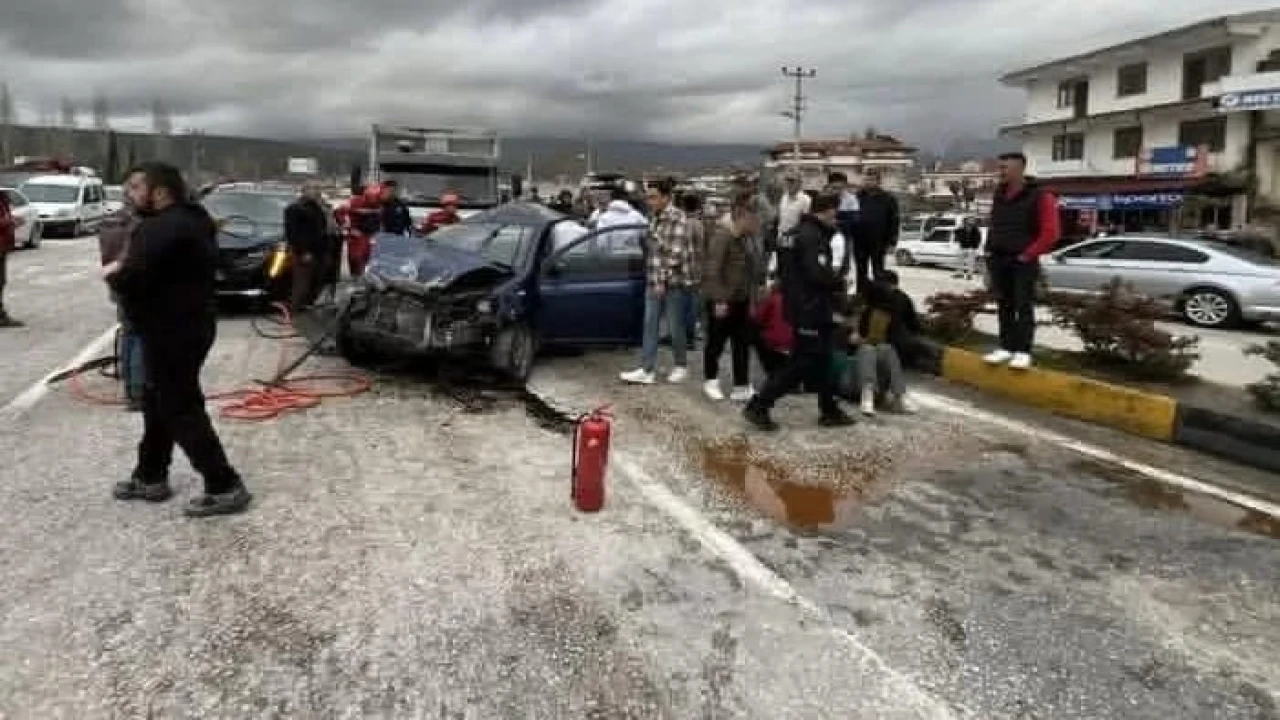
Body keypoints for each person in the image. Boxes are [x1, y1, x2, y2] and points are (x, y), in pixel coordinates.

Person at [104, 162, 251, 517]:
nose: (131, 193)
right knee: (158, 399)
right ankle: (150, 475)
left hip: (172, 329)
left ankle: (224, 484)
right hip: (190, 325)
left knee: (179, 406)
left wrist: (113, 274)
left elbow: (134, 278)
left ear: (160, 191)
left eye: (137, 187)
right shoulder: (195, 217)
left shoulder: (158, 228)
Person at [744, 193, 855, 431]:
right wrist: (838, 282)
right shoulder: (812, 237)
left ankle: (829, 409)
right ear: (827, 211)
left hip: (801, 305)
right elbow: (817, 274)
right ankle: (760, 404)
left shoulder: (791, 235)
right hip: (810, 309)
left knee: (824, 359)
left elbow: (784, 273)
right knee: (802, 362)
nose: (837, 219)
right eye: (835, 213)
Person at [984, 152, 1060, 371]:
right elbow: (994, 225)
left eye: (1004, 168)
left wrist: (1027, 255)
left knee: (1023, 306)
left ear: (1020, 169)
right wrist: (989, 253)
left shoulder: (1041, 196)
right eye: (1000, 167)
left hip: (1023, 261)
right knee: (1004, 305)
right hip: (998, 258)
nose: (1000, 172)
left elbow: (1051, 233)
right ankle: (1005, 347)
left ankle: (1023, 351)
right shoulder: (999, 194)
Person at [620, 178, 695, 385]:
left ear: (666, 197)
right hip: (654, 279)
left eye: (653, 197)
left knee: (674, 326)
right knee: (650, 323)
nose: (649, 201)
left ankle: (681, 365)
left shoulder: (678, 218)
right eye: (648, 197)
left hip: (674, 281)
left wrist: (662, 280)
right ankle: (647, 369)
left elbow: (676, 255)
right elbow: (652, 247)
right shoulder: (654, 217)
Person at [701, 191, 763, 402]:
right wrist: (719, 299)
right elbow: (712, 269)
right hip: (722, 300)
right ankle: (710, 380)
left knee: (741, 344)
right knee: (716, 343)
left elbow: (752, 270)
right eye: (753, 219)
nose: (756, 223)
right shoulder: (723, 236)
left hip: (741, 299)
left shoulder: (747, 240)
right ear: (742, 217)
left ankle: (741, 385)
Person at [849, 270, 920, 415]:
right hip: (856, 373)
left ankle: (900, 395)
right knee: (867, 349)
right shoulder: (866, 314)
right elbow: (855, 340)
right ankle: (867, 394)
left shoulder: (889, 314)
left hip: (879, 369)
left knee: (885, 348)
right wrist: (856, 337)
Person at [98, 199, 146, 410]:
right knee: (140, 338)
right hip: (137, 285)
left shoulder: (112, 221)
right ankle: (138, 393)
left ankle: (131, 389)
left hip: (118, 285)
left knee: (129, 334)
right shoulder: (138, 223)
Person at [283, 182, 330, 312]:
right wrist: (302, 252)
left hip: (319, 252)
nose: (316, 191)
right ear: (304, 191)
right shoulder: (294, 209)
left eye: (318, 188)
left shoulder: (317, 207)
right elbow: (292, 234)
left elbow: (322, 228)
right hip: (305, 253)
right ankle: (294, 313)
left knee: (317, 283)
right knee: (302, 286)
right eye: (313, 189)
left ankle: (306, 310)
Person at [854, 170, 899, 295]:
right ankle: (861, 298)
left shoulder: (888, 198)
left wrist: (892, 242)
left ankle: (878, 299)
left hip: (879, 242)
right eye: (866, 179)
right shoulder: (857, 197)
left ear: (878, 181)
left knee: (878, 272)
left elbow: (894, 221)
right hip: (859, 241)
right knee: (861, 272)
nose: (868, 182)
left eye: (872, 179)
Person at [677, 192, 707, 350]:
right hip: (694, 268)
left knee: (684, 303)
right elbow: (700, 248)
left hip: (682, 267)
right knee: (692, 303)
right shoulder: (696, 224)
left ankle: (685, 336)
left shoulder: (682, 223)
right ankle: (690, 337)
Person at [750, 278, 791, 376]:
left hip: (776, 341)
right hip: (795, 341)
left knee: (755, 335)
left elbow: (758, 318)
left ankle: (772, 372)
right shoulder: (797, 299)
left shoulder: (772, 299)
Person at [0, 189, 22, 328]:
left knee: (1, 281)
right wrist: (7, 221)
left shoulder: (2, 197)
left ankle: (1, 314)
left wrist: (13, 221)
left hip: (2, 247)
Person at [777, 174, 810, 239]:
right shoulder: (784, 197)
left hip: (796, 237)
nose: (789, 184)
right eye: (787, 181)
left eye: (792, 182)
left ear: (800, 183)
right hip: (781, 236)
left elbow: (806, 223)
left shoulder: (806, 200)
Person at [953, 216, 983, 280]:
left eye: (972, 220)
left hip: (971, 247)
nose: (971, 221)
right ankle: (959, 273)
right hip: (962, 246)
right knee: (959, 261)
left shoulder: (976, 229)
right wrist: (959, 228)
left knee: (970, 262)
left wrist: (975, 246)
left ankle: (969, 275)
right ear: (965, 221)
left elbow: (979, 238)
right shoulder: (961, 228)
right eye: (969, 220)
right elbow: (956, 232)